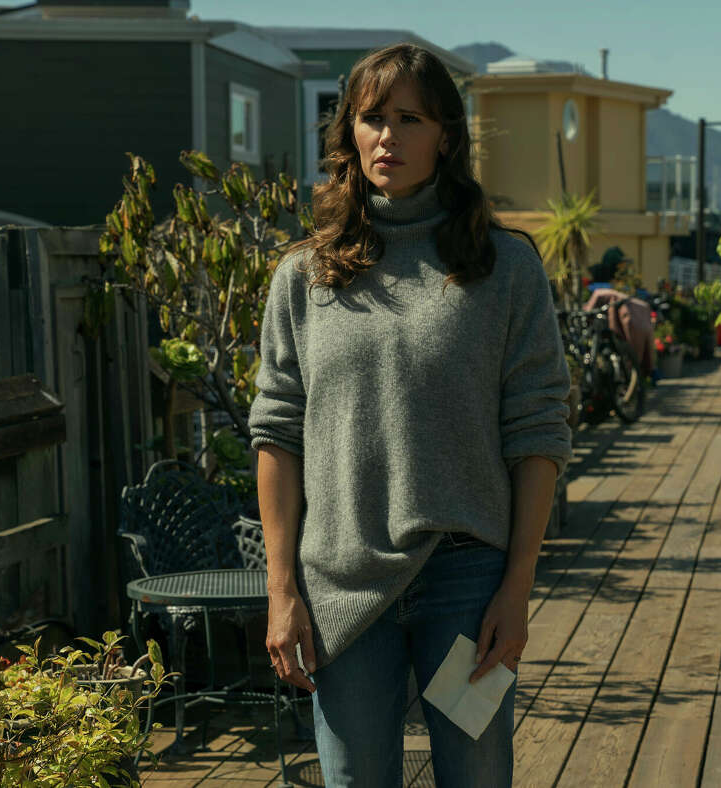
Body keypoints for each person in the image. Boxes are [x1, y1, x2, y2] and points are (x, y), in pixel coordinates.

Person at [247, 43, 572, 788]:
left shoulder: (504, 266)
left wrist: (516, 590)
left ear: (446, 136)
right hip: (340, 583)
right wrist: (281, 591)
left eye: (409, 118)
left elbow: (538, 434)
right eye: (371, 118)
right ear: (348, 136)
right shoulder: (304, 275)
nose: (387, 136)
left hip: (469, 584)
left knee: (477, 778)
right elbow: (276, 434)